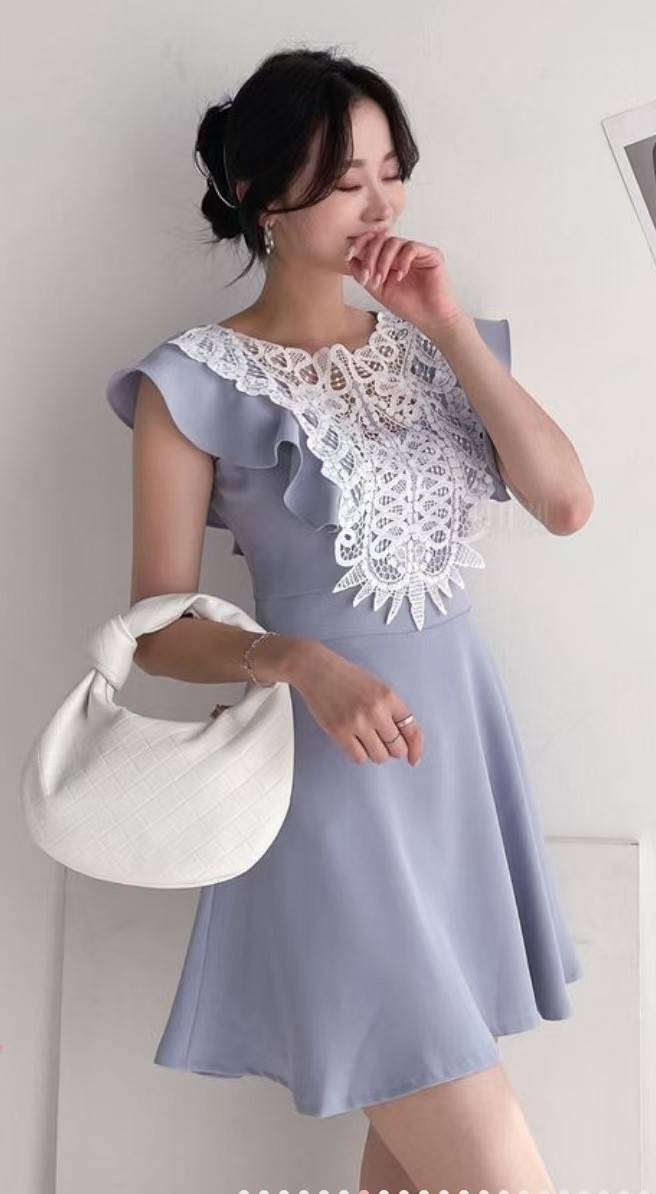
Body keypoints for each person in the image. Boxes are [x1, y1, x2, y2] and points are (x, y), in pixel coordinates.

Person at [106, 44, 594, 1194]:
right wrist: (297, 661)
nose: (379, 205)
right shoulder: (192, 383)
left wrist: (447, 324)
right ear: (258, 198)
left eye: (390, 172)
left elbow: (565, 504)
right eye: (342, 181)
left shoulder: (430, 349)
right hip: (327, 788)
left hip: (455, 773)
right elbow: (155, 628)